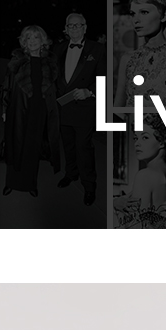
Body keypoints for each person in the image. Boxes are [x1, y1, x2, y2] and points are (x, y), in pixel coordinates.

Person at [53, 12, 106, 207]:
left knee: (84, 148)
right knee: (67, 145)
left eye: (78, 25)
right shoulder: (58, 49)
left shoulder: (98, 49)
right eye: (70, 25)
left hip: (84, 108)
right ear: (66, 29)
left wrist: (89, 91)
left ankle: (89, 186)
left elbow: (105, 79)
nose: (74, 28)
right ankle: (71, 173)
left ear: (85, 27)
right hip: (63, 107)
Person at [1, 25, 60, 198]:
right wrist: (4, 109)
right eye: (28, 38)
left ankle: (30, 184)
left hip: (39, 111)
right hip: (17, 108)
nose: (32, 41)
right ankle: (11, 182)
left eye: (36, 37)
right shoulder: (17, 61)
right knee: (15, 145)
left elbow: (56, 89)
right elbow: (6, 86)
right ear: (24, 42)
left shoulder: (50, 63)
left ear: (42, 40)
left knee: (33, 148)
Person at [115, 0, 166, 110]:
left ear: (164, 15)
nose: (136, 20)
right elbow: (118, 110)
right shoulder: (128, 59)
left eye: (144, 12)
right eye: (133, 14)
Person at [114, 114, 166, 227]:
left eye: (145, 137)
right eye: (135, 138)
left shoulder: (145, 176)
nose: (137, 143)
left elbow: (135, 228)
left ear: (162, 142)